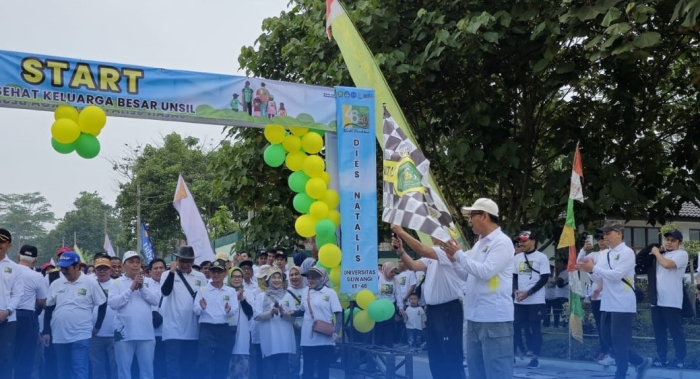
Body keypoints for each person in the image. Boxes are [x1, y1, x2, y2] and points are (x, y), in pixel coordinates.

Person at [443, 198, 515, 379]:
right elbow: (468, 275)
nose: (469, 221)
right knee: (476, 371)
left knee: (497, 372)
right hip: (474, 317)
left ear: (484, 216)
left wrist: (459, 254)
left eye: (472, 216)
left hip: (494, 318)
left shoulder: (502, 242)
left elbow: (485, 272)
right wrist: (454, 260)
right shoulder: (479, 243)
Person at [577, 220, 652, 379]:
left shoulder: (627, 252)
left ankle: (621, 374)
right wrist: (589, 271)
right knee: (608, 341)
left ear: (619, 233)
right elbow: (599, 277)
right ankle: (640, 362)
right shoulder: (605, 254)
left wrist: (594, 268)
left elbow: (617, 275)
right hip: (607, 303)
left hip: (623, 303)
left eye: (608, 233)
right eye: (604, 234)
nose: (605, 236)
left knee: (619, 342)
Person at [391, 223, 465, 379]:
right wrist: (401, 251)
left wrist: (401, 232)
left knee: (450, 354)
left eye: (434, 233)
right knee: (436, 354)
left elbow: (422, 249)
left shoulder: (449, 252)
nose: (431, 236)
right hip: (433, 310)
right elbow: (413, 265)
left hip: (449, 310)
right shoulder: (432, 257)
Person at [43, 251, 108, 379]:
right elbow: (49, 309)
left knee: (79, 370)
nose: (63, 271)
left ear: (77, 266)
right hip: (59, 336)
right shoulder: (56, 284)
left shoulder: (90, 282)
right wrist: (46, 331)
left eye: (67, 268)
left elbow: (103, 303)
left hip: (81, 335)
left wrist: (98, 326)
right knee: (63, 371)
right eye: (61, 268)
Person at [109, 251, 161, 379]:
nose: (135, 265)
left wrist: (142, 287)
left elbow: (155, 301)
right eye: (131, 262)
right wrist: (131, 289)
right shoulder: (116, 283)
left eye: (138, 262)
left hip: (146, 333)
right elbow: (114, 304)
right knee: (124, 371)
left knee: (147, 370)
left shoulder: (149, 282)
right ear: (123, 265)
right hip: (123, 334)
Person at [160, 246, 207, 379]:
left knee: (189, 365)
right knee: (173, 366)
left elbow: (203, 298)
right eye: (182, 261)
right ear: (177, 260)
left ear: (193, 261)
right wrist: (172, 272)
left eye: (189, 261)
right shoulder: (166, 274)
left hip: (192, 330)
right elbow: (165, 292)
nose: (186, 264)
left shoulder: (201, 277)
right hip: (172, 330)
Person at [289, 267, 342, 379]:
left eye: (313, 278)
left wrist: (336, 331)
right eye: (308, 278)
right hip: (308, 337)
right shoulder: (306, 292)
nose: (310, 280)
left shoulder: (330, 293)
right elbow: (302, 311)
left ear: (321, 278)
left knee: (323, 368)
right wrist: (292, 312)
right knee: (308, 367)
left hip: (325, 337)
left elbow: (338, 312)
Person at [194, 259, 239, 379]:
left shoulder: (230, 291)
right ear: (210, 272)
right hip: (207, 329)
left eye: (219, 271)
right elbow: (195, 309)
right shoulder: (203, 289)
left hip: (224, 329)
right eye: (214, 271)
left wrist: (229, 310)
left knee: (222, 362)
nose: (216, 274)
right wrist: (202, 308)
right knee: (203, 362)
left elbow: (235, 309)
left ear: (225, 273)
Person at [649, 230, 688, 368]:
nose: (669, 242)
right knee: (659, 332)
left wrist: (656, 253)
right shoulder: (659, 254)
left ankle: (680, 358)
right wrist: (653, 250)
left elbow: (667, 265)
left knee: (675, 331)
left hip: (671, 300)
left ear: (679, 243)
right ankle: (662, 357)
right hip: (656, 300)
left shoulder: (681, 254)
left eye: (673, 240)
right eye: (667, 240)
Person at [512, 230, 550, 369]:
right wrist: (515, 290)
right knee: (515, 327)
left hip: (536, 300)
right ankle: (514, 354)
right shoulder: (517, 258)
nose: (521, 243)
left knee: (534, 329)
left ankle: (535, 358)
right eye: (520, 241)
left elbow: (545, 278)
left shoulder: (542, 257)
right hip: (519, 300)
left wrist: (530, 292)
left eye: (524, 240)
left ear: (533, 241)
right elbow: (514, 276)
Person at [254, 266, 296, 378]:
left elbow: (293, 319)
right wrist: (271, 313)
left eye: (279, 277)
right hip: (269, 339)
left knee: (283, 371)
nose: (277, 280)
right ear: (268, 280)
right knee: (268, 371)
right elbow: (256, 316)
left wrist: (283, 314)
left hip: (284, 339)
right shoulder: (261, 296)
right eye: (274, 277)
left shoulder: (288, 295)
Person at [14, 244, 47, 379]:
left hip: (6, 315)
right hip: (26, 316)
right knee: (26, 355)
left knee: (6, 354)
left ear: (18, 257)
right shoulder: (37, 276)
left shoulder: (8, 271)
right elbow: (42, 302)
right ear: (35, 260)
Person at [582, 234, 612, 363]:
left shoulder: (611, 254)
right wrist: (583, 250)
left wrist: (593, 271)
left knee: (609, 327)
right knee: (600, 326)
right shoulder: (594, 254)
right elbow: (580, 262)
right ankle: (604, 350)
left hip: (609, 295)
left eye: (603, 238)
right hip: (596, 295)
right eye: (598, 239)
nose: (601, 241)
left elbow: (609, 276)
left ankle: (611, 353)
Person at [90, 257, 118, 379]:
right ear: (95, 270)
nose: (102, 271)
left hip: (114, 333)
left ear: (110, 270)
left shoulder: (117, 284)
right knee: (97, 366)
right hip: (94, 334)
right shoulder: (90, 284)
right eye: (99, 269)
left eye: (105, 268)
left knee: (116, 365)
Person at [228, 266, 257, 379]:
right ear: (230, 277)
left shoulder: (248, 293)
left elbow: (250, 313)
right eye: (234, 277)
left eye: (239, 277)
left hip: (242, 336)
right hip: (227, 335)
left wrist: (242, 299)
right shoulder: (224, 291)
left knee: (242, 372)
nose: (237, 279)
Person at [146, 258, 167, 379]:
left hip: (166, 332)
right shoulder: (144, 283)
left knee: (164, 363)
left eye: (161, 268)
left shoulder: (172, 282)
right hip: (148, 333)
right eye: (155, 268)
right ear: (150, 271)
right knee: (149, 364)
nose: (159, 270)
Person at [375, 261, 403, 347]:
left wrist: (400, 306)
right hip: (380, 305)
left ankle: (388, 343)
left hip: (391, 305)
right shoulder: (379, 277)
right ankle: (378, 343)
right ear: (386, 270)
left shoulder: (395, 280)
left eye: (394, 272)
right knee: (379, 325)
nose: (393, 274)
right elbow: (376, 291)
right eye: (391, 272)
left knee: (389, 325)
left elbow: (398, 293)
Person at [286, 266, 307, 379]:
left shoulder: (308, 290)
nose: (294, 277)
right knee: (293, 357)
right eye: (291, 275)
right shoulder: (286, 291)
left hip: (308, 327)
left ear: (301, 275)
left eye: (296, 274)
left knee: (309, 356)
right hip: (292, 327)